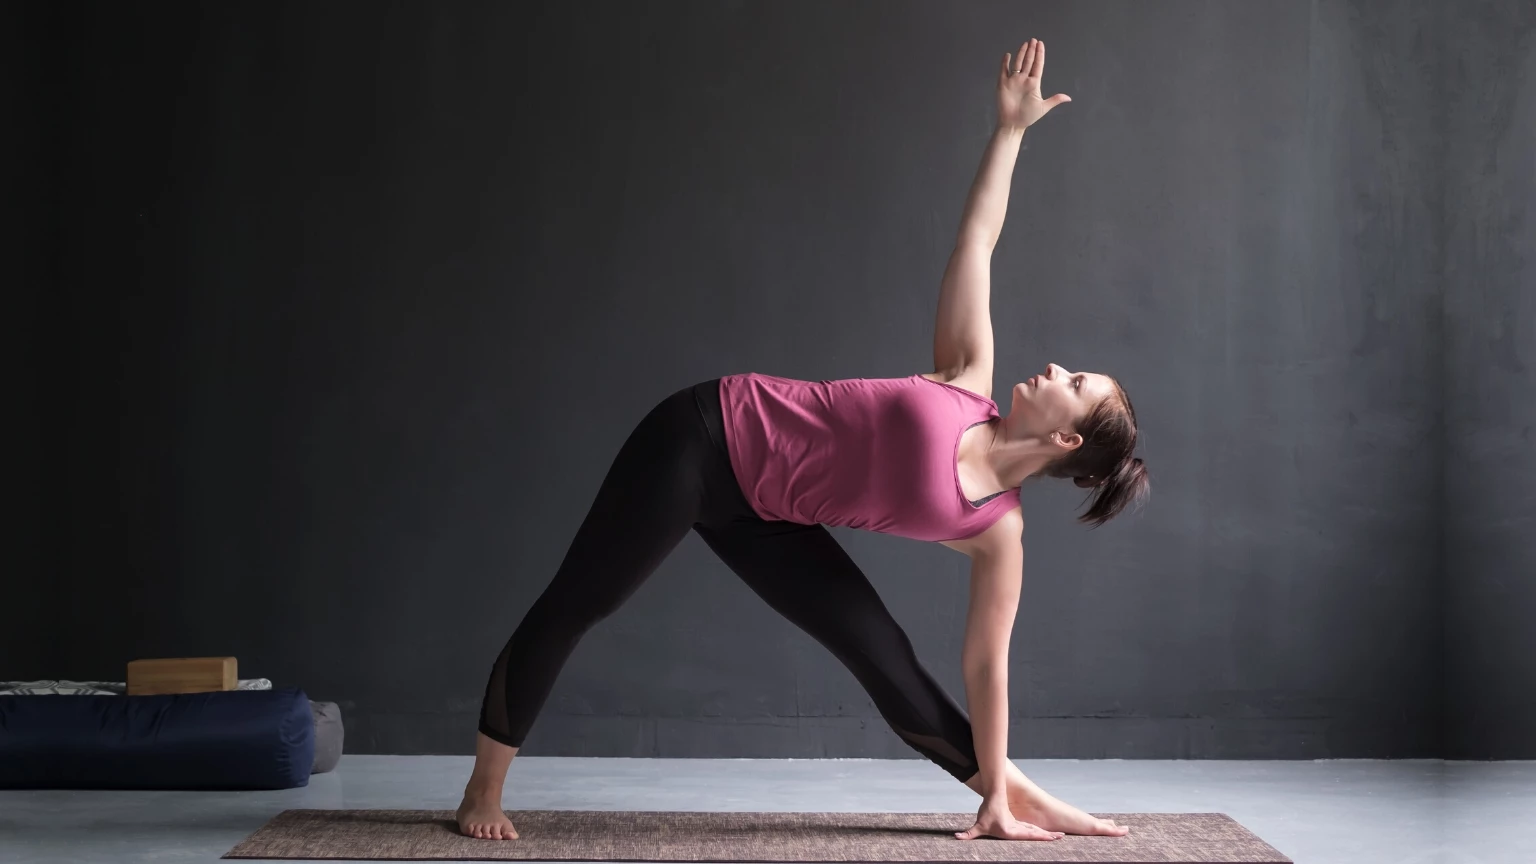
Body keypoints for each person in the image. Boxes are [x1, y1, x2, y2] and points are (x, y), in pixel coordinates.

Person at [458, 38, 1147, 843]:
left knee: (882, 652)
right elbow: (977, 244)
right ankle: (482, 790)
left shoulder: (1000, 533)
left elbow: (986, 669)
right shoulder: (969, 379)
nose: (1057, 365)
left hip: (767, 513)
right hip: (704, 439)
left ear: (1067, 435)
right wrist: (1009, 133)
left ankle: (1008, 797)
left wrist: (994, 780)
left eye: (1076, 381)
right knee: (583, 600)